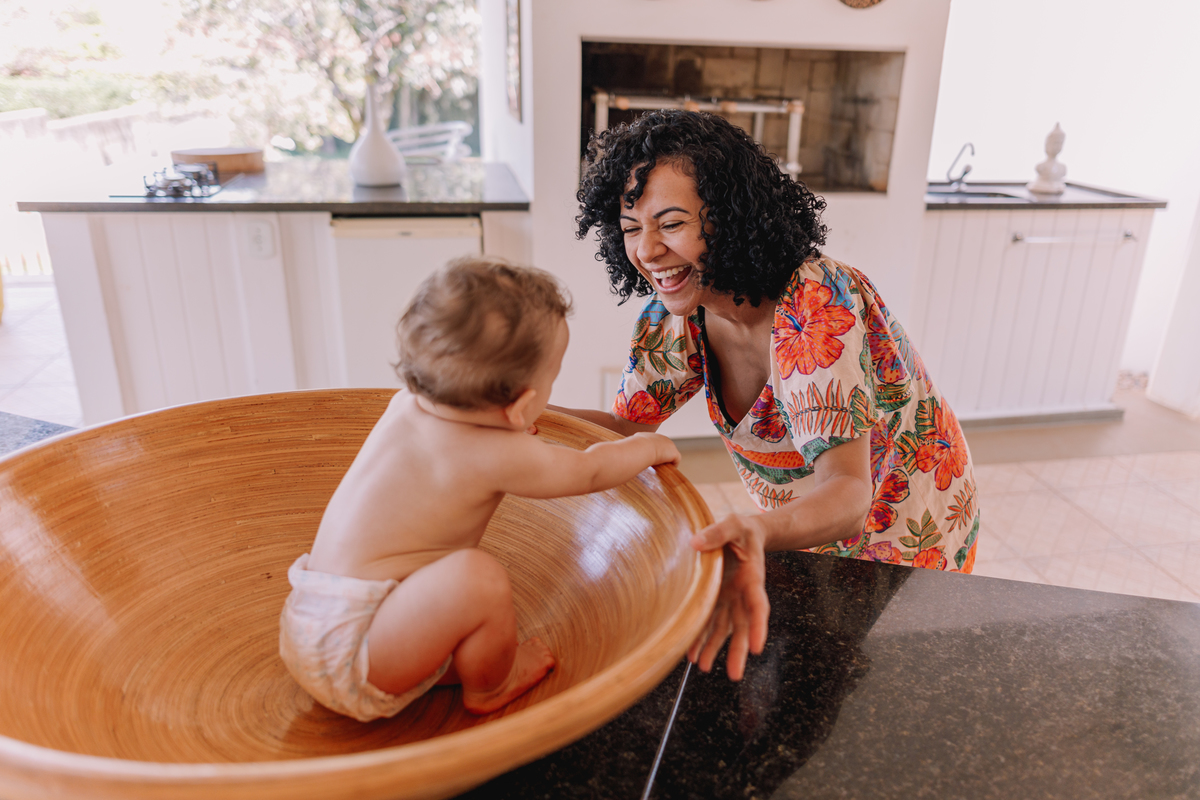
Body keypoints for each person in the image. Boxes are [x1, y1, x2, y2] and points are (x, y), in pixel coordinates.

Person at [565, 110, 980, 682]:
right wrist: (514, 413)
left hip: (903, 518)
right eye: (632, 228)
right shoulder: (676, 313)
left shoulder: (815, 305)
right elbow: (627, 428)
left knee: (873, 681)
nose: (649, 251)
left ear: (732, 217)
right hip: (807, 522)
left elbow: (848, 490)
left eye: (672, 222)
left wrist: (756, 527)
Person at [279, 257, 681, 722]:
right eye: (551, 381)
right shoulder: (494, 454)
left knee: (448, 585)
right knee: (478, 578)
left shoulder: (405, 406)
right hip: (359, 652)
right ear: (521, 406)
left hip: (312, 618)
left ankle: (438, 657)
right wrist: (646, 446)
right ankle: (493, 686)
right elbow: (588, 471)